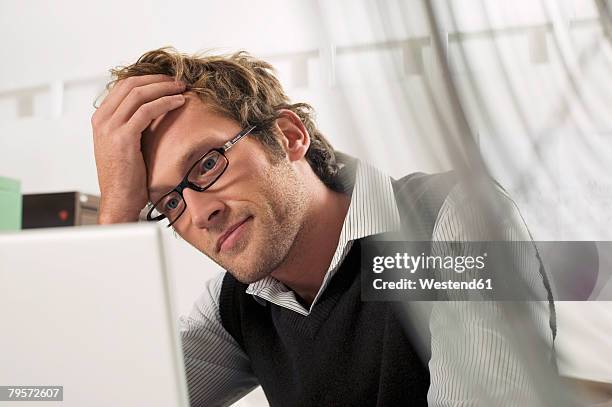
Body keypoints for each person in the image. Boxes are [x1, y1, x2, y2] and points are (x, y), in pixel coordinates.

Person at [92, 48, 556, 406]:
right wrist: (116, 216)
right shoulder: (238, 303)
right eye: (169, 203)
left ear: (288, 136)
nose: (197, 213)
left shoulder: (448, 221)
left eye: (209, 162)